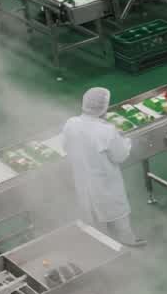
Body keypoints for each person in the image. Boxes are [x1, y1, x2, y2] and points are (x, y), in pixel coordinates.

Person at [62, 88, 145, 247]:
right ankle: (128, 244)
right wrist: (127, 141)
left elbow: (66, 146)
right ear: (103, 107)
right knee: (119, 219)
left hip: (83, 183)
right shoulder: (106, 130)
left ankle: (102, 249)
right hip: (106, 185)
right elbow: (120, 156)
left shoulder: (71, 123)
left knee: (93, 221)